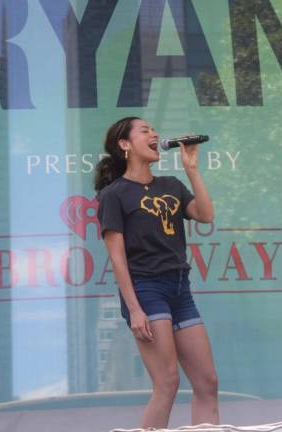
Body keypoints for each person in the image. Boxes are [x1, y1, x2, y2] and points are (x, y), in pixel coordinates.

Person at [94, 117, 219, 428]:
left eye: (154, 129)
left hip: (180, 289)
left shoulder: (171, 185)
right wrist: (134, 309)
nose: (155, 134)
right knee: (167, 382)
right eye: (145, 130)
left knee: (207, 382)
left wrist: (191, 169)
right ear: (125, 145)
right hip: (146, 289)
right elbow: (117, 257)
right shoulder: (114, 194)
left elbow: (205, 215)